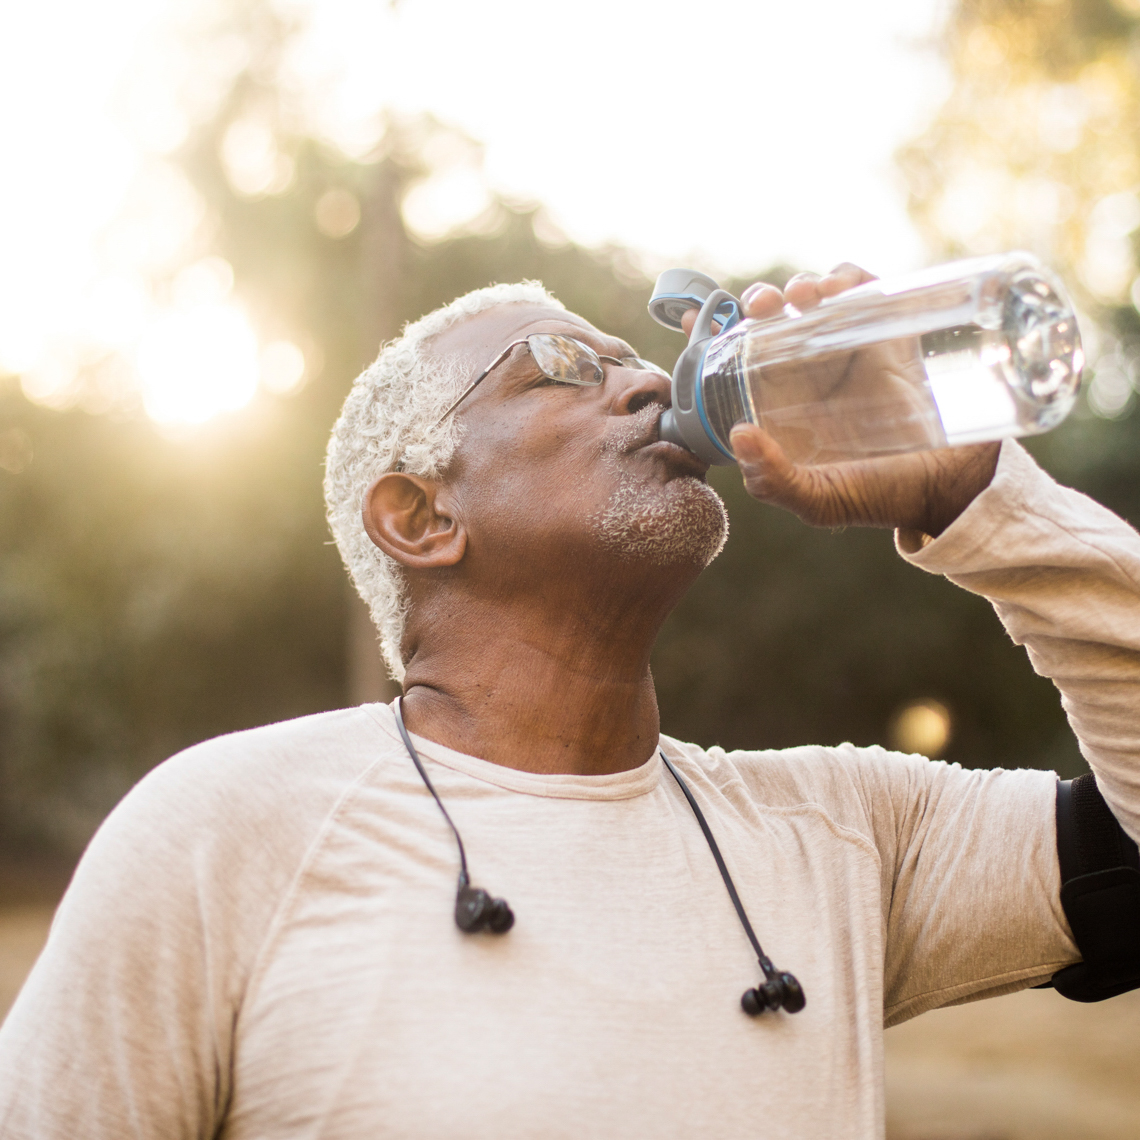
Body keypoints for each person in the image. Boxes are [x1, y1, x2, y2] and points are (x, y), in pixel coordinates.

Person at [1, 264, 1138, 1140]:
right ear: (422, 518)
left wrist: (976, 498)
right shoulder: (226, 829)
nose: (648, 379)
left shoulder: (850, 834)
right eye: (556, 364)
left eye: (630, 357)